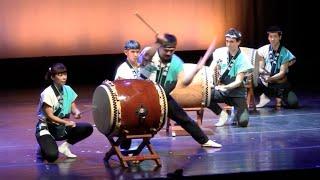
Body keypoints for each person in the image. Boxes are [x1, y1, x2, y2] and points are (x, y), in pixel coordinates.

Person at [139, 33, 222, 148]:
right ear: (160, 47)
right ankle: (125, 144)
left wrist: (196, 70)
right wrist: (157, 42)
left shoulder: (176, 62)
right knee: (134, 120)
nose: (169, 53)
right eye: (166, 50)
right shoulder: (151, 53)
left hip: (162, 96)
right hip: (143, 95)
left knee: (184, 119)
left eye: (172, 50)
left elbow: (185, 82)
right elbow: (146, 57)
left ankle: (204, 141)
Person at [35, 63, 93, 162]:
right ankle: (43, 147)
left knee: (87, 128)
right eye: (60, 75)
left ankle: (65, 147)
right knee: (52, 156)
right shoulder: (47, 93)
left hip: (61, 127)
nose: (64, 77)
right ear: (53, 77)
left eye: (65, 74)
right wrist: (67, 122)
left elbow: (72, 105)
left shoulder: (68, 89)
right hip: (47, 127)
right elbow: (50, 116)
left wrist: (76, 112)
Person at [208, 28, 253, 127]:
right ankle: (222, 114)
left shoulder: (243, 59)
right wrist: (210, 81)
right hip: (222, 90)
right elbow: (211, 68)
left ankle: (235, 110)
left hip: (237, 93)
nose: (228, 44)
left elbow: (238, 81)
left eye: (231, 42)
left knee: (243, 122)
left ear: (238, 42)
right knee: (204, 95)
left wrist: (225, 87)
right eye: (227, 41)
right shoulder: (220, 52)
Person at [255, 26, 298, 108]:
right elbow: (261, 67)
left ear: (280, 37)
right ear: (268, 37)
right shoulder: (263, 50)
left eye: (275, 36)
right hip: (267, 81)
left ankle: (280, 97)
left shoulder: (285, 52)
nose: (272, 39)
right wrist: (263, 73)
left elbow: (282, 73)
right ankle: (263, 98)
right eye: (270, 36)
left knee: (293, 103)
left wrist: (271, 79)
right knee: (253, 78)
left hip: (280, 83)